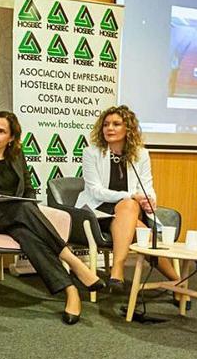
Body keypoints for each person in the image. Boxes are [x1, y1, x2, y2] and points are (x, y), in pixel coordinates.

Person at [0, 111, 105, 325]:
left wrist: (23, 202)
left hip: (16, 219)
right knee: (21, 209)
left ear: (11, 138)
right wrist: (3, 199)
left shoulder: (17, 157)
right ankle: (73, 262)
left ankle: (71, 291)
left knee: (28, 236)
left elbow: (28, 189)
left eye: (2, 131)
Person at [75, 105, 181, 288]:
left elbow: (147, 187)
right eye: (106, 124)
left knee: (129, 206)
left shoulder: (141, 154)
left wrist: (149, 200)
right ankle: (177, 283)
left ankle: (117, 272)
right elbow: (95, 191)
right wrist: (132, 196)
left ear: (128, 129)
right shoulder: (91, 153)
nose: (109, 128)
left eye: (116, 124)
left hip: (128, 212)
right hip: (98, 210)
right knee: (142, 231)